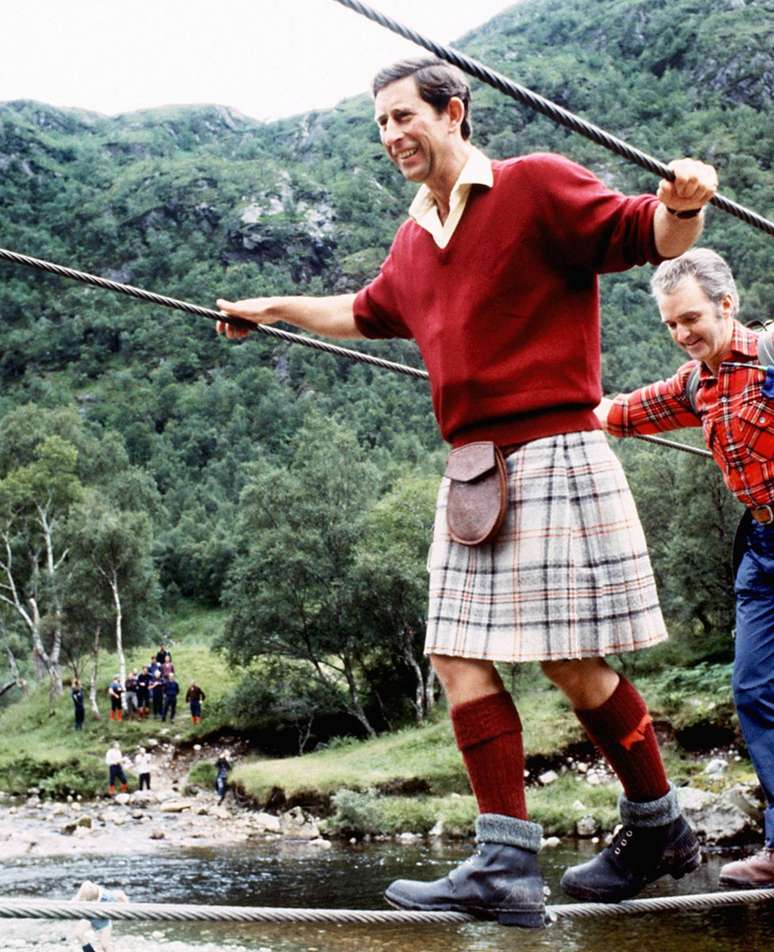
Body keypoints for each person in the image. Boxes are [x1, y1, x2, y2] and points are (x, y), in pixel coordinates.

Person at [216, 57, 717, 925]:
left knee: (570, 661)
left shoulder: (535, 186)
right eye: (381, 123)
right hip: (474, 470)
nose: (391, 135)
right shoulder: (414, 239)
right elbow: (364, 310)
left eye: (404, 116)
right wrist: (274, 308)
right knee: (452, 652)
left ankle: (658, 827)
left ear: (454, 113)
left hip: (553, 451)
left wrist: (685, 203)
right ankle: (506, 863)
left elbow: (650, 234)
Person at [596, 247, 774, 888]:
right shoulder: (695, 384)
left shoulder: (772, 354)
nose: (681, 333)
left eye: (691, 318)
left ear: (727, 305)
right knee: (753, 690)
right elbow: (618, 414)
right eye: (671, 324)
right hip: (762, 548)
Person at [73, 880, 128, 952]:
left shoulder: (106, 895)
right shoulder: (84, 891)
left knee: (104, 946)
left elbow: (120, 894)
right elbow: (74, 902)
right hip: (89, 915)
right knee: (78, 933)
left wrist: (126, 907)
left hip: (103, 920)